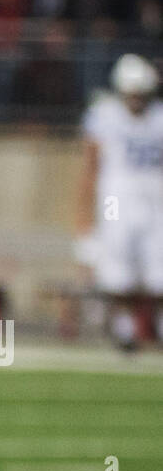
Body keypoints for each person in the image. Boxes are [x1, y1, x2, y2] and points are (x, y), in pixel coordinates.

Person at [75, 52, 163, 350]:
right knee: (117, 270)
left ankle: (157, 326)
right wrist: (85, 221)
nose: (136, 99)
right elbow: (91, 167)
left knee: (158, 269)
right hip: (117, 201)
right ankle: (125, 330)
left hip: (156, 200)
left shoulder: (159, 117)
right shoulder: (105, 115)